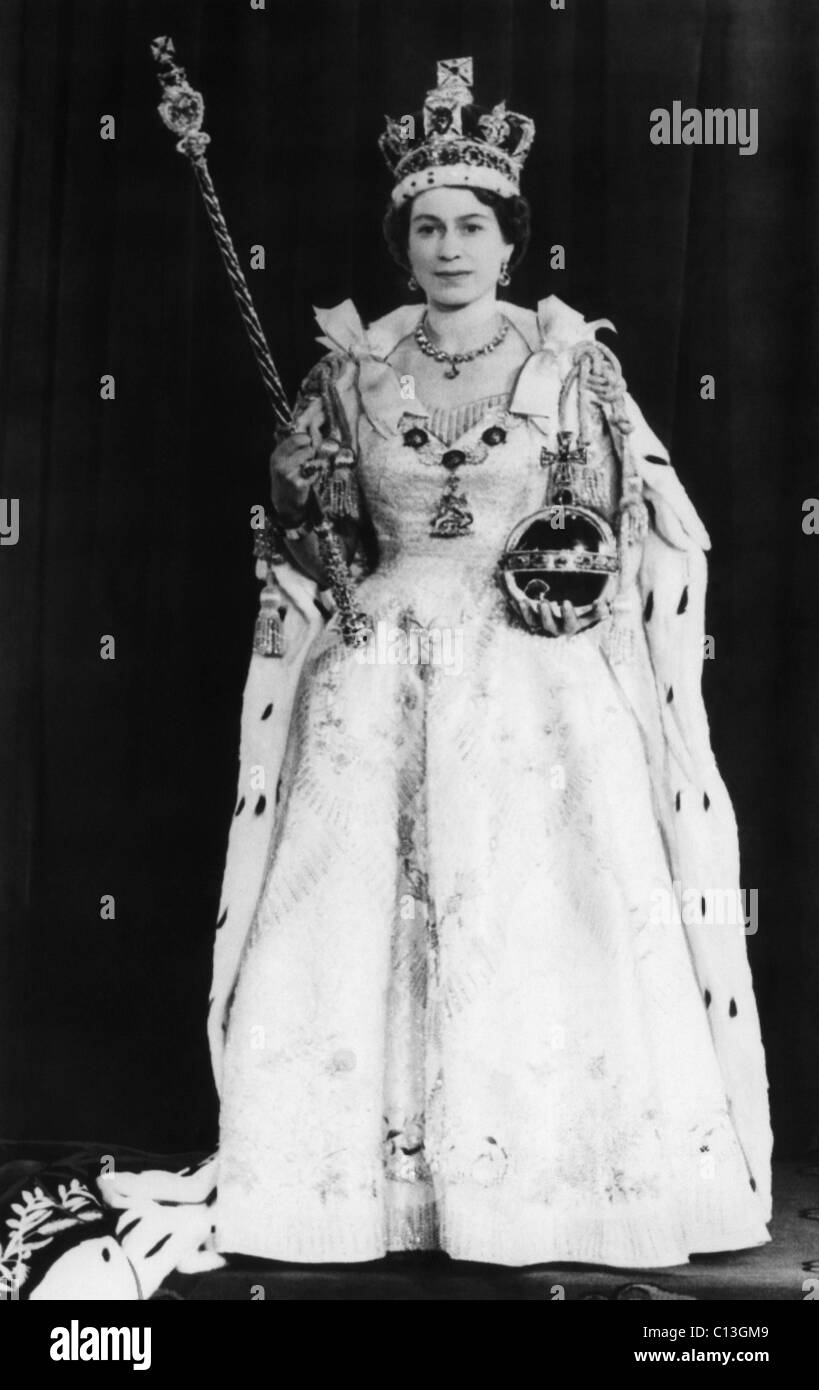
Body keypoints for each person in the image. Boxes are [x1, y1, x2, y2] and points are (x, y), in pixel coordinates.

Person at [208, 57, 773, 1267]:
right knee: (366, 912)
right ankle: (362, 1186)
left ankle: (547, 1185)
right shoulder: (348, 370)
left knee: (535, 907)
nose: (450, 246)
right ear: (402, 242)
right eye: (428, 227)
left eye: (473, 225)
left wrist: (571, 579)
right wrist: (307, 518)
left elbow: (629, 524)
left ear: (511, 242)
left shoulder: (576, 368)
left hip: (537, 676)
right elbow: (317, 532)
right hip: (375, 671)